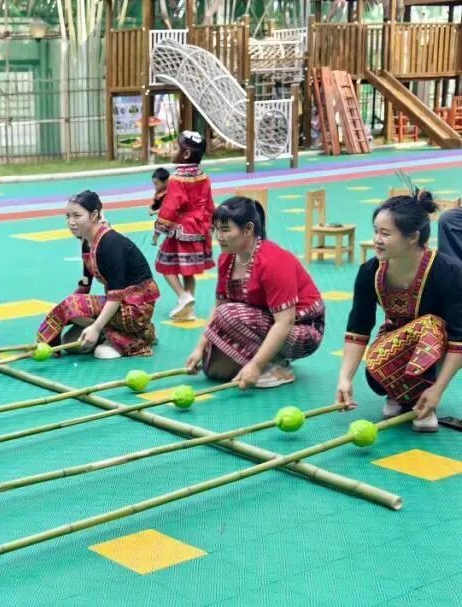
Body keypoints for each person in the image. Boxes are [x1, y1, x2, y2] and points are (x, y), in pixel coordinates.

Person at [337, 192, 462, 432]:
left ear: (413, 237)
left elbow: (459, 338)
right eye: (376, 231)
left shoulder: (449, 272)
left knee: (431, 326)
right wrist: (345, 379)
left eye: (385, 234)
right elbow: (358, 329)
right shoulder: (369, 272)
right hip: (397, 342)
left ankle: (425, 397)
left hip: (440, 348)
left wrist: (437, 390)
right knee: (377, 372)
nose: (377, 240)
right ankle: (399, 394)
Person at [186, 197, 325, 389]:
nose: (218, 236)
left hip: (301, 330)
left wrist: (256, 366)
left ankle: (276, 365)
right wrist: (200, 348)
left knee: (227, 314)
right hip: (261, 321)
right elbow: (218, 307)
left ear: (248, 229)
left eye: (225, 230)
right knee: (214, 369)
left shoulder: (273, 261)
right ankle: (263, 359)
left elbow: (285, 322)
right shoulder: (227, 259)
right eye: (216, 229)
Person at [37, 190, 160, 359]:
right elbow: (85, 285)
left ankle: (130, 339)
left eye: (77, 216)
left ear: (94, 215)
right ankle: (126, 333)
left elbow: (116, 295)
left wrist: (94, 327)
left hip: (135, 308)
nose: (71, 222)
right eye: (68, 216)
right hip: (119, 303)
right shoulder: (87, 242)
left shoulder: (110, 243)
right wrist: (69, 315)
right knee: (71, 343)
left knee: (71, 306)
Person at [152, 131, 215, 320]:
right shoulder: (204, 177)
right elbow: (209, 205)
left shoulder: (176, 179)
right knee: (189, 271)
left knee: (164, 264)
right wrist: (210, 226)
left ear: (186, 154)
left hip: (180, 231)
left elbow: (171, 207)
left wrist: (158, 230)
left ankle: (183, 296)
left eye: (174, 148)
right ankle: (188, 310)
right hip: (198, 229)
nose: (171, 151)